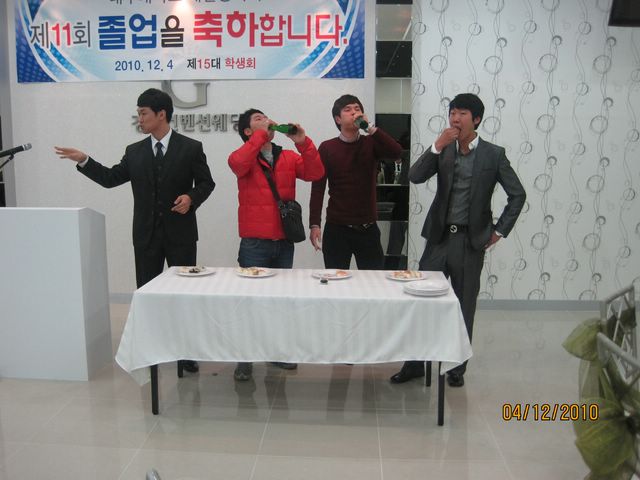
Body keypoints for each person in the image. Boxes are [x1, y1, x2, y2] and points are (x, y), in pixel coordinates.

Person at [55, 88, 215, 374]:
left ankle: (186, 352)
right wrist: (84, 160)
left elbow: (206, 183)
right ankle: (150, 349)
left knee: (184, 295)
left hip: (180, 235)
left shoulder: (191, 147)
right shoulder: (135, 151)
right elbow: (110, 178)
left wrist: (191, 198)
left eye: (143, 113)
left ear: (161, 114)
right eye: (139, 113)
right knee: (147, 295)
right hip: (145, 236)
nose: (139, 118)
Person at [390, 93, 526, 387]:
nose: (455, 118)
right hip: (438, 240)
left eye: (462, 113)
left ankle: (456, 367)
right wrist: (437, 146)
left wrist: (499, 231)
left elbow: (518, 195)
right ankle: (415, 364)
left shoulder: (493, 155)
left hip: (470, 242)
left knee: (464, 305)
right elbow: (414, 176)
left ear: (476, 119)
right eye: (452, 112)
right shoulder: (444, 149)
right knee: (421, 301)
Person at [228, 109, 324, 381]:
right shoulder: (241, 157)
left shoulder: (288, 157)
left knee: (279, 302)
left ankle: (276, 352)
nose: (265, 120)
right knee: (250, 303)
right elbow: (238, 165)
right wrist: (259, 138)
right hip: (254, 243)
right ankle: (244, 359)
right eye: (258, 119)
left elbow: (316, 172)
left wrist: (302, 141)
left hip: (283, 242)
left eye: (265, 117)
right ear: (248, 131)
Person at [309, 94, 402, 270]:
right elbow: (318, 188)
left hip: (368, 227)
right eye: (348, 110)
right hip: (337, 228)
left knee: (373, 281)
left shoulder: (371, 143)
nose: (354, 112)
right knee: (335, 281)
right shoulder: (327, 147)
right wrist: (315, 224)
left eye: (357, 109)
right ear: (338, 119)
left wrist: (370, 128)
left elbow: (396, 152)